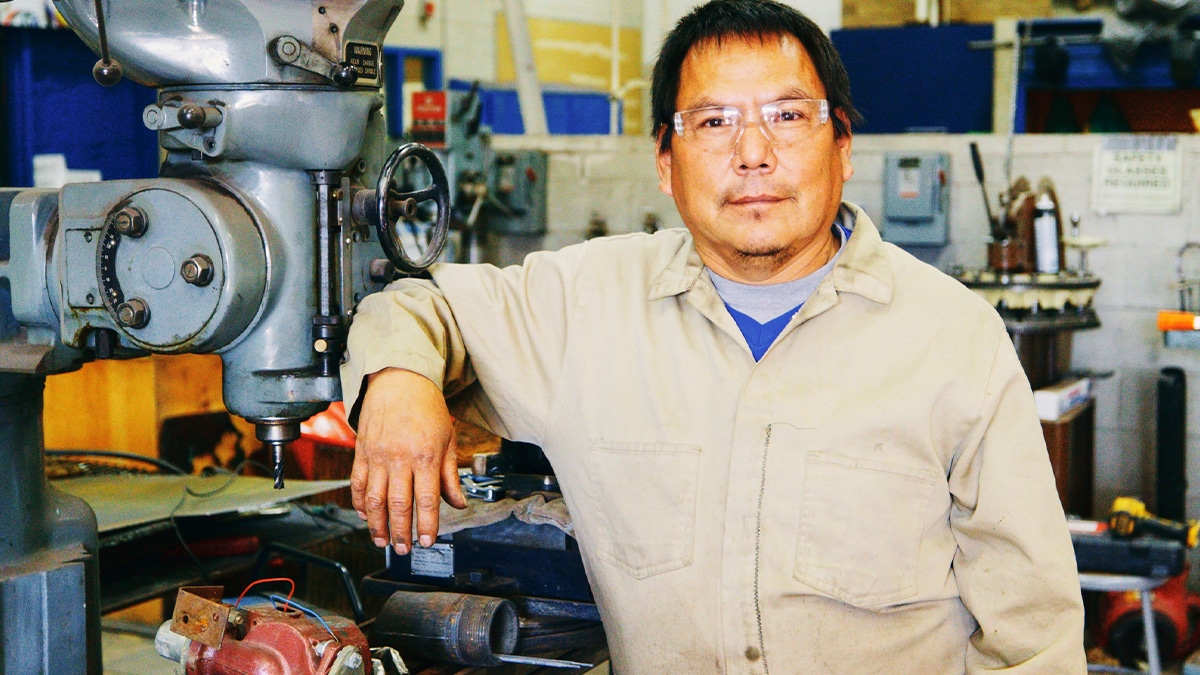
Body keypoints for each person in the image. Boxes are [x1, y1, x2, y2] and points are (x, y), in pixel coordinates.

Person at [342, 0, 1086, 671]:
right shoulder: (586, 307)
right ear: (666, 161)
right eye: (715, 121)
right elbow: (418, 304)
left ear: (844, 147)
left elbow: (1033, 636)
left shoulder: (955, 341)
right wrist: (400, 382)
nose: (753, 153)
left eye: (789, 117)